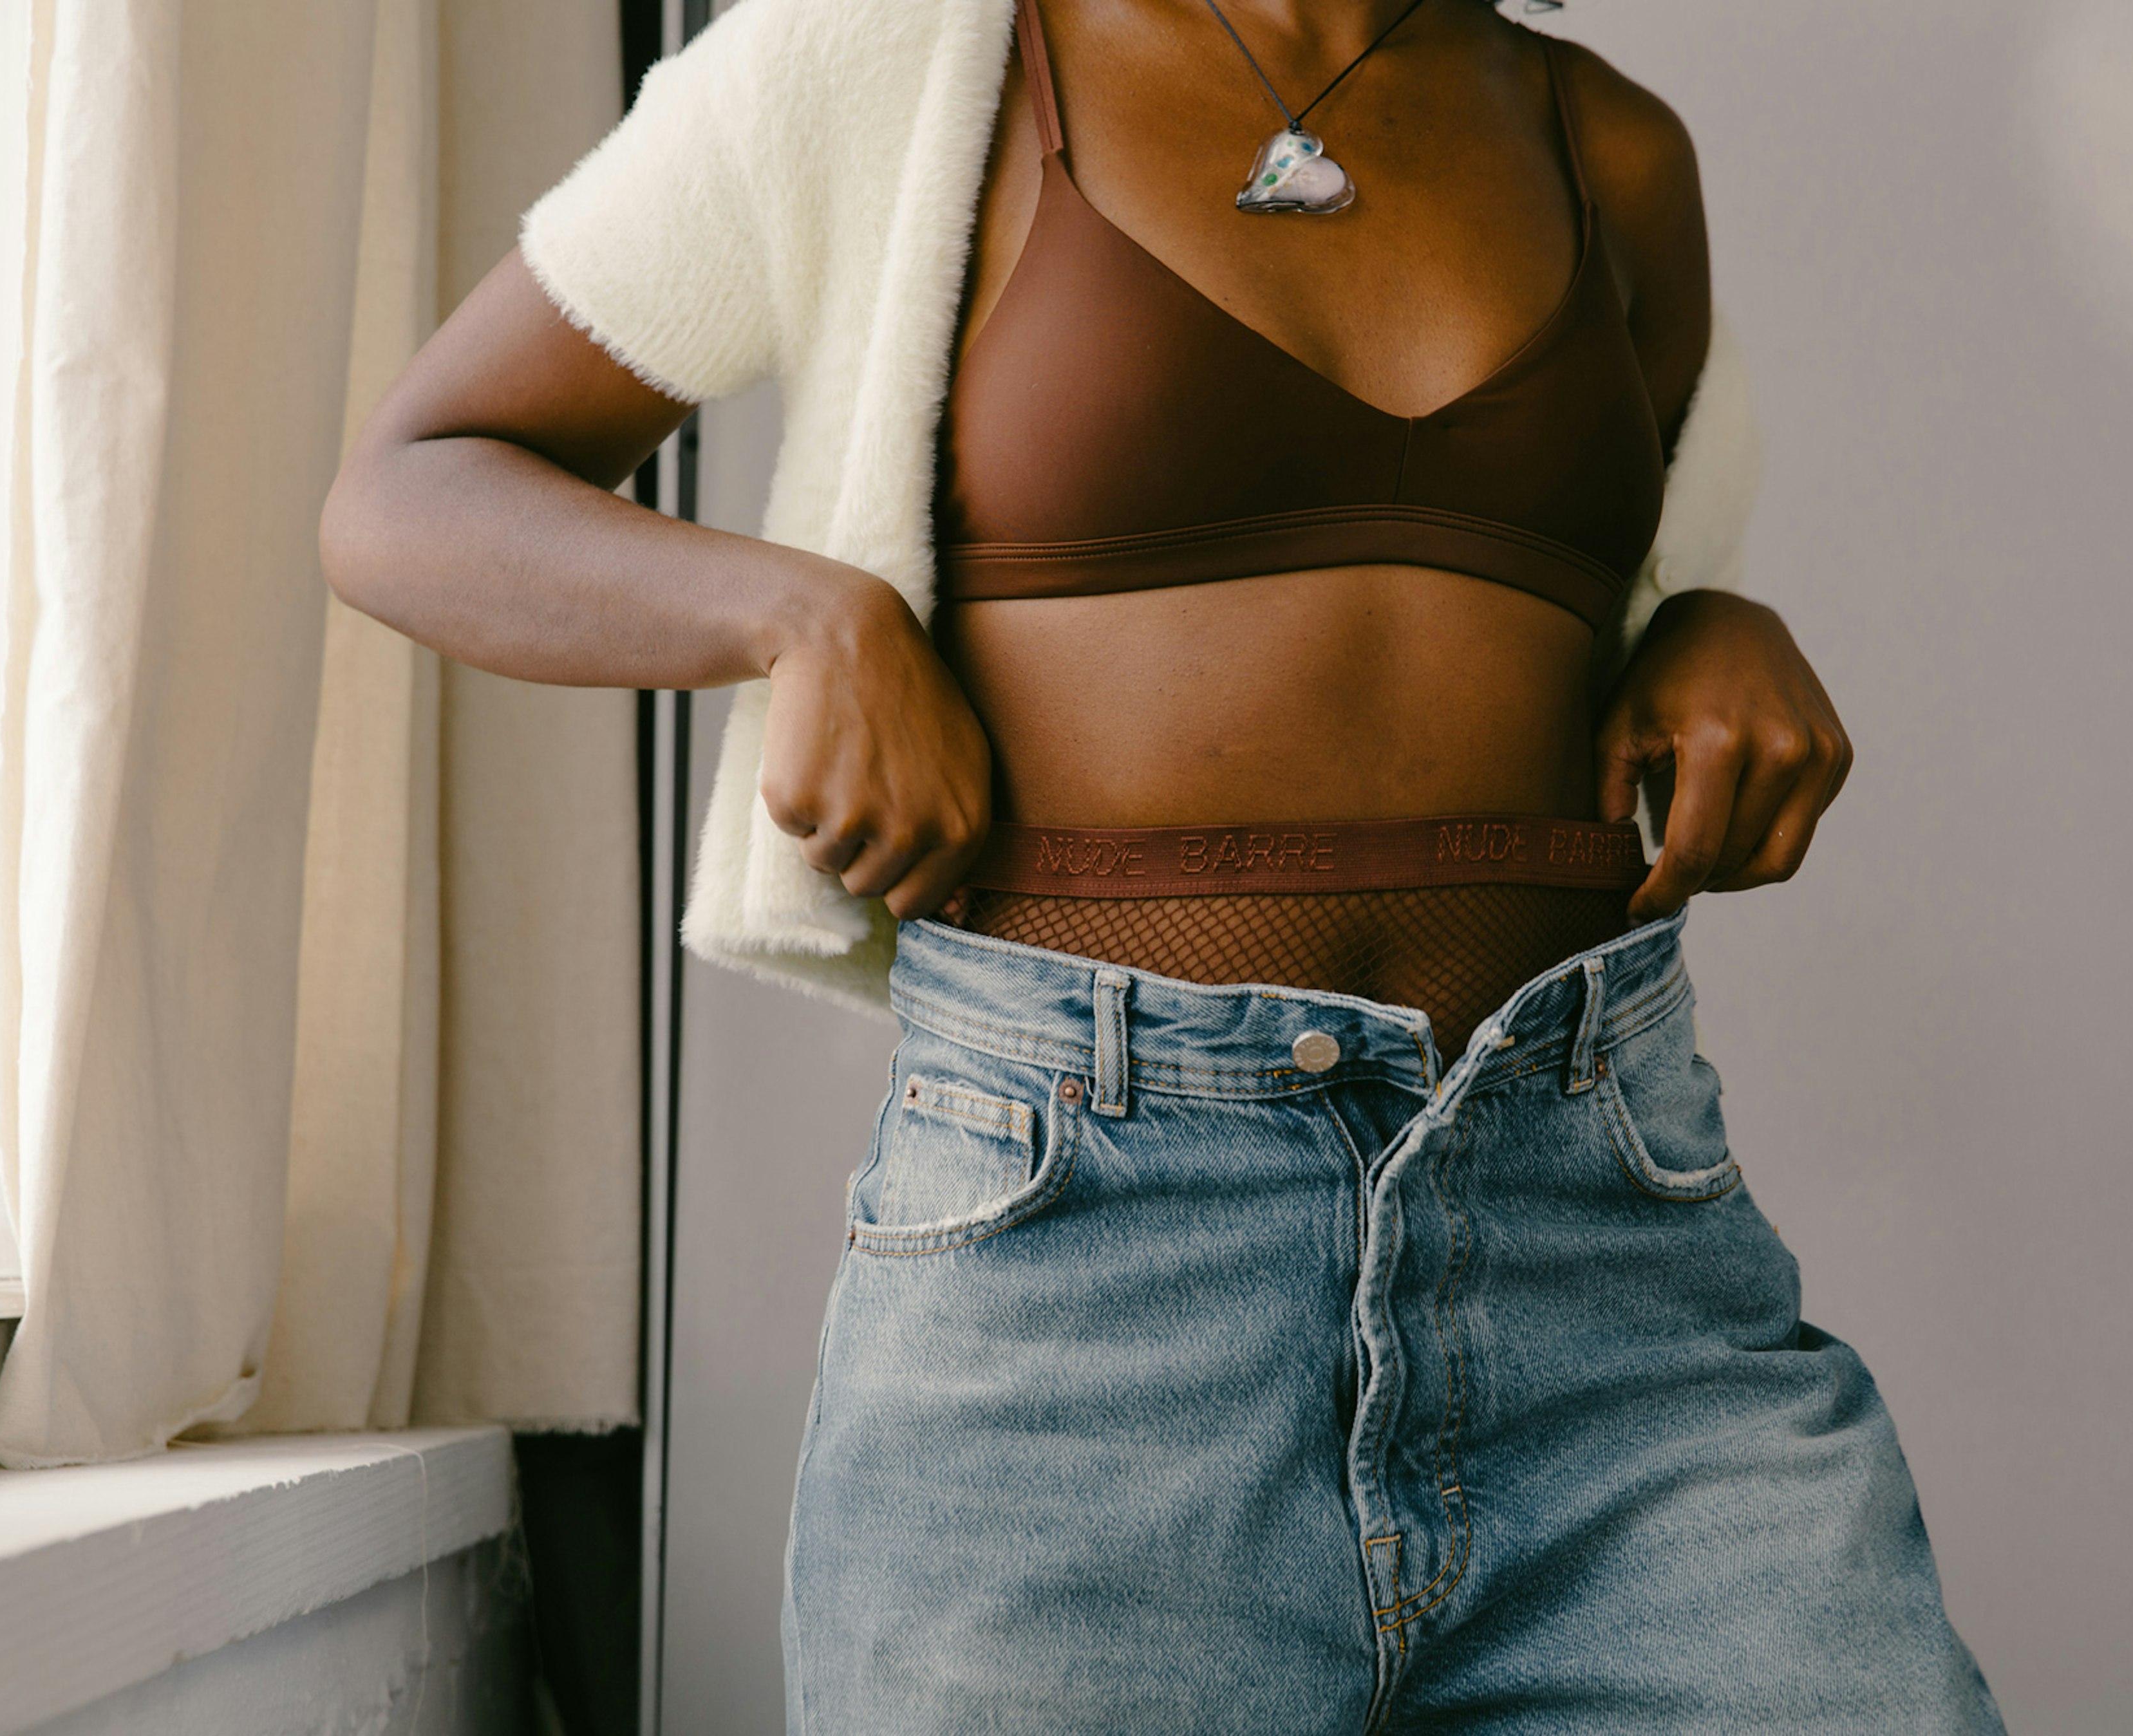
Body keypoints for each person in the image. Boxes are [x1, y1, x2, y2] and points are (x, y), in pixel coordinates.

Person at [322, 0, 2004, 1728]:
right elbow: (410, 489)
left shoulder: (1616, 149)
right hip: (1086, 1282)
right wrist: (795, 613)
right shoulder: (893, 56)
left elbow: (1611, 609)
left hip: (1598, 1259)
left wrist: (1715, 628)